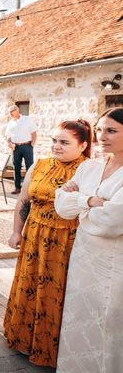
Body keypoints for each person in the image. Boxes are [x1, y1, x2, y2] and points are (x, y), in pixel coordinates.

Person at [3, 120, 91, 367]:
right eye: (54, 141)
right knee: (29, 284)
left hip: (67, 240)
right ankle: (24, 339)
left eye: (64, 142)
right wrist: (16, 232)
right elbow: (23, 200)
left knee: (57, 293)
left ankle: (53, 350)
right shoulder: (39, 165)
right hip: (35, 235)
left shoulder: (89, 169)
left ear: (83, 145)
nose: (56, 146)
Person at [55, 108, 123, 372]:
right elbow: (61, 206)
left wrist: (79, 206)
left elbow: (112, 221)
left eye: (111, 130)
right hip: (83, 258)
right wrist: (90, 202)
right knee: (79, 319)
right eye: (99, 129)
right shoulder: (88, 167)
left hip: (111, 263)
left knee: (106, 323)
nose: (102, 136)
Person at [5, 105, 37, 194]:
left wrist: (32, 145)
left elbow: (34, 132)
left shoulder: (27, 119)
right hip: (16, 148)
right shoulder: (10, 123)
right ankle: (17, 187)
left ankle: (29, 188)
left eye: (12, 111)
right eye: (9, 112)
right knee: (16, 168)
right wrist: (9, 143)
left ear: (18, 110)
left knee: (29, 167)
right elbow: (8, 135)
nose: (11, 113)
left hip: (27, 146)